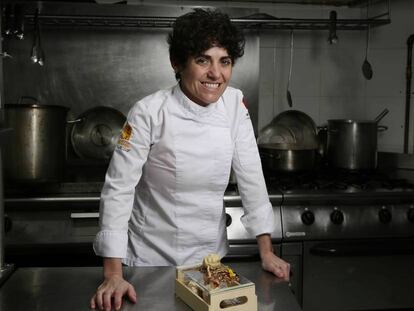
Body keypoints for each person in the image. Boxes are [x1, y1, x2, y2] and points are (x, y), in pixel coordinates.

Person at [90, 8, 290, 311]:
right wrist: (113, 274)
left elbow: (251, 176)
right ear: (177, 63)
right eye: (202, 60)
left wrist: (267, 250)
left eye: (224, 61)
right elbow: (118, 189)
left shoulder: (234, 105)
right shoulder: (148, 112)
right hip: (150, 260)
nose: (215, 74)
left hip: (210, 264)